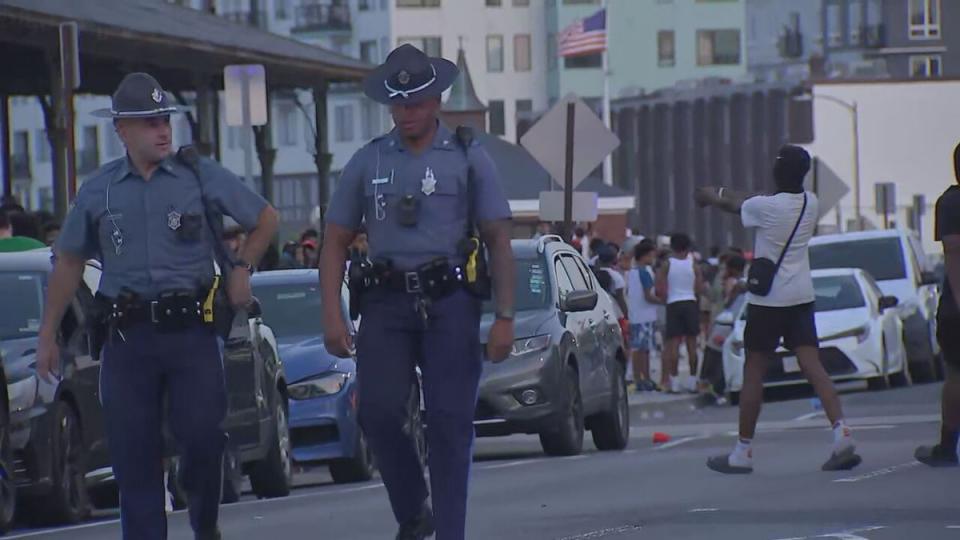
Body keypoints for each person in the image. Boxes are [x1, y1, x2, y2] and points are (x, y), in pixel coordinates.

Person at [35, 72, 279, 539]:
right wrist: (48, 334)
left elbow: (265, 217)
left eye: (165, 118)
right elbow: (68, 261)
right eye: (150, 122)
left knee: (204, 439)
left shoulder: (197, 175)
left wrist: (242, 269)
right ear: (122, 130)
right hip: (129, 339)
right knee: (134, 458)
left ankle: (204, 523)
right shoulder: (100, 189)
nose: (163, 130)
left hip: (190, 334)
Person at [318, 44, 515, 540]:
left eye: (417, 102)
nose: (407, 112)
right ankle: (413, 509)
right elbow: (335, 240)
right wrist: (331, 314)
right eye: (399, 103)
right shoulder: (368, 160)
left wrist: (505, 317)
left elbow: (498, 239)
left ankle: (451, 532)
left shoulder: (470, 158)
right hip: (386, 303)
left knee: (449, 423)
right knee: (378, 412)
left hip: (450, 302)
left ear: (437, 100)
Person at [694, 144, 859, 474]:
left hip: (768, 301)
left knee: (754, 370)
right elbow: (753, 199)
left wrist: (710, 195)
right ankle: (841, 434)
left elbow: (732, 202)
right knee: (813, 366)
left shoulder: (765, 208)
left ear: (776, 172)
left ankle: (743, 452)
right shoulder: (810, 204)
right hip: (801, 296)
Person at [915, 142, 960, 467]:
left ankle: (947, 445)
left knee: (956, 374)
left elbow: (953, 250)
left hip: (955, 308)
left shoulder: (951, 202)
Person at [655, 233, 704, 394]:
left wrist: (665, 299)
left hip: (673, 303)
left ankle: (674, 382)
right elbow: (699, 288)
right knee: (692, 345)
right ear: (688, 247)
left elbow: (659, 288)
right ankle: (692, 381)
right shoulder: (694, 265)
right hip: (690, 302)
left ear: (672, 247)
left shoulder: (667, 264)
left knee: (673, 345)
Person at [628, 241, 662, 391]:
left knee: (638, 349)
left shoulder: (632, 272)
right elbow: (649, 296)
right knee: (644, 350)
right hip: (646, 315)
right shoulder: (645, 273)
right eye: (651, 255)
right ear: (645, 256)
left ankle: (639, 378)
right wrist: (664, 301)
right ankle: (644, 377)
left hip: (635, 314)